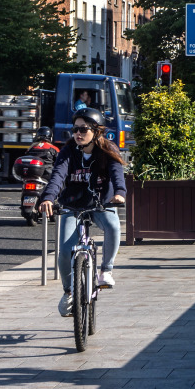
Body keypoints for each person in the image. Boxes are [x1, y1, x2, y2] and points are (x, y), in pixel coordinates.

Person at [39, 108, 126, 318]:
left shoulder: (108, 149)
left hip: (100, 204)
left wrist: (120, 194)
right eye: (75, 129)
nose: (78, 133)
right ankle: (69, 291)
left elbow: (117, 175)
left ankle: (105, 270)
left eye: (83, 129)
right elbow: (57, 177)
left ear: (96, 131)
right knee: (64, 251)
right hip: (73, 205)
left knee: (113, 226)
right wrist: (48, 197)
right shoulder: (68, 151)